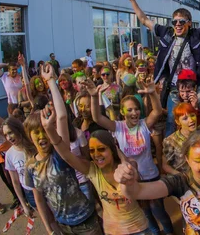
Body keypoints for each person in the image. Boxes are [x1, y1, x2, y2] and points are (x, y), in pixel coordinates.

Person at [41, 99, 151, 235]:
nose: (96, 154)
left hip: (139, 229)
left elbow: (129, 167)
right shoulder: (92, 170)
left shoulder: (129, 165)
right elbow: (66, 155)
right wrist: (49, 129)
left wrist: (117, 150)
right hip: (112, 231)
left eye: (101, 149)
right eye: (92, 151)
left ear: (112, 149)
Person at [114, 131, 200, 235]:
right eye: (198, 161)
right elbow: (136, 192)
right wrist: (126, 181)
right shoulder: (180, 182)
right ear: (187, 159)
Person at [90, 77, 174, 235]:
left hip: (151, 176)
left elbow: (156, 112)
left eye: (136, 109)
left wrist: (152, 94)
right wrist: (95, 97)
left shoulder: (144, 124)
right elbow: (97, 118)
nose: (134, 113)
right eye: (129, 110)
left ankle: (169, 233)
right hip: (132, 181)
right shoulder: (118, 127)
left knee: (159, 212)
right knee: (146, 214)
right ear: (122, 112)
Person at [23, 110, 101, 235]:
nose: (42, 136)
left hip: (85, 221)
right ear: (29, 136)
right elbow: (39, 201)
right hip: (63, 226)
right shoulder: (30, 167)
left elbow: (62, 117)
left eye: (44, 131)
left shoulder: (60, 153)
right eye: (36, 132)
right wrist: (49, 229)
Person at [162, 103, 200, 174]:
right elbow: (165, 165)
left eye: (192, 115)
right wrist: (182, 177)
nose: (191, 120)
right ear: (178, 122)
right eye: (185, 118)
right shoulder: (170, 141)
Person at [3, 117, 40, 220]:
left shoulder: (33, 145)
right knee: (48, 220)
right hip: (30, 193)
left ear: (18, 129)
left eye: (10, 132)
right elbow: (15, 182)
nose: (9, 138)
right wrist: (24, 205)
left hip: (46, 187)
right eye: (5, 135)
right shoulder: (9, 155)